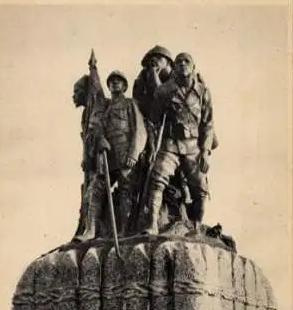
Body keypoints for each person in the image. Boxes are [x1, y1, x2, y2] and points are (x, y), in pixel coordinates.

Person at [142, 52, 217, 235]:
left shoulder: (203, 92)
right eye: (179, 62)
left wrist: (205, 152)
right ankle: (152, 225)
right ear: (174, 67)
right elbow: (153, 120)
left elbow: (208, 124)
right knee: (158, 179)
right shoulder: (164, 91)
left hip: (193, 147)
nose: (182, 64)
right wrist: (153, 147)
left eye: (186, 61)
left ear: (193, 66)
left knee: (200, 189)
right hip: (170, 144)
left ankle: (196, 228)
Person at [80, 70, 146, 239]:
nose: (115, 83)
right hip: (108, 157)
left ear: (125, 86)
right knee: (96, 189)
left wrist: (133, 154)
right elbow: (97, 128)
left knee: (126, 191)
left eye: (119, 81)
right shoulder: (105, 106)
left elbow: (139, 130)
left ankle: (124, 229)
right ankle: (90, 229)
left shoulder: (130, 104)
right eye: (111, 81)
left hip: (125, 155)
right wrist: (100, 139)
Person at [133, 45, 174, 120]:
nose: (153, 60)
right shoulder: (145, 74)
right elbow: (137, 98)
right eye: (150, 60)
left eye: (159, 58)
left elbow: (163, 98)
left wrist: (154, 76)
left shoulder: (177, 76)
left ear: (168, 62)